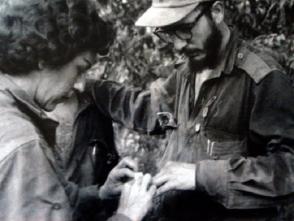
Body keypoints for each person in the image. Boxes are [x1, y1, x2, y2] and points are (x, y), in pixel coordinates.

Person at [89, 0, 294, 220]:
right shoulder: (188, 72)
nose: (177, 45)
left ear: (216, 12)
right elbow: (153, 111)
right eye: (168, 32)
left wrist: (201, 176)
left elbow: (288, 169)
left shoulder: (262, 78)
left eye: (185, 29)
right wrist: (91, 87)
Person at [0, 0, 155, 220]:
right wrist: (127, 214)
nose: (80, 84)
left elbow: (41, 198)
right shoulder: (22, 144)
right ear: (46, 57)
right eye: (80, 68)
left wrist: (100, 194)